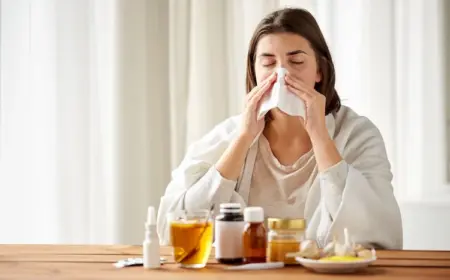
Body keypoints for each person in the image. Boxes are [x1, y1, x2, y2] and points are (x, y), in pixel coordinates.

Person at [157, 8, 403, 249]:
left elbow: (378, 234)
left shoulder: (358, 134)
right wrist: (243, 139)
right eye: (268, 63)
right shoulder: (227, 136)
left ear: (320, 70)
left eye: (296, 61)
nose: (281, 75)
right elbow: (174, 230)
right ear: (254, 71)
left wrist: (320, 137)